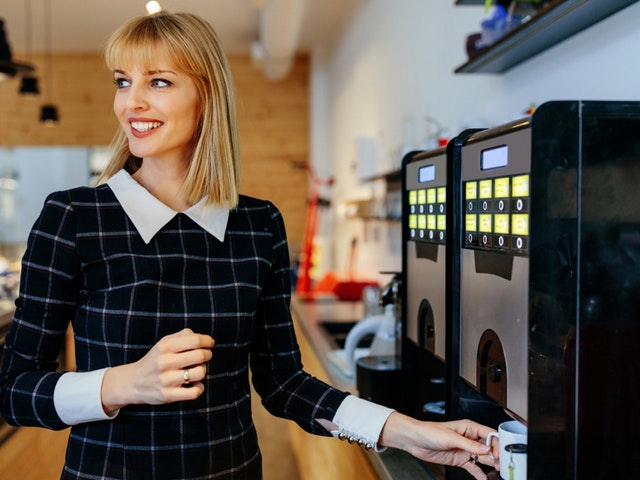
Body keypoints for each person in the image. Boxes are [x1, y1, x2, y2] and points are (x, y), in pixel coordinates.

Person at [0, 11, 498, 480]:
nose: (131, 103)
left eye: (158, 81)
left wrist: (408, 432)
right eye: (122, 81)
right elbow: (15, 390)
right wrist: (122, 384)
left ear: (207, 95)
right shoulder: (74, 217)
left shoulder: (257, 225)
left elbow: (285, 384)